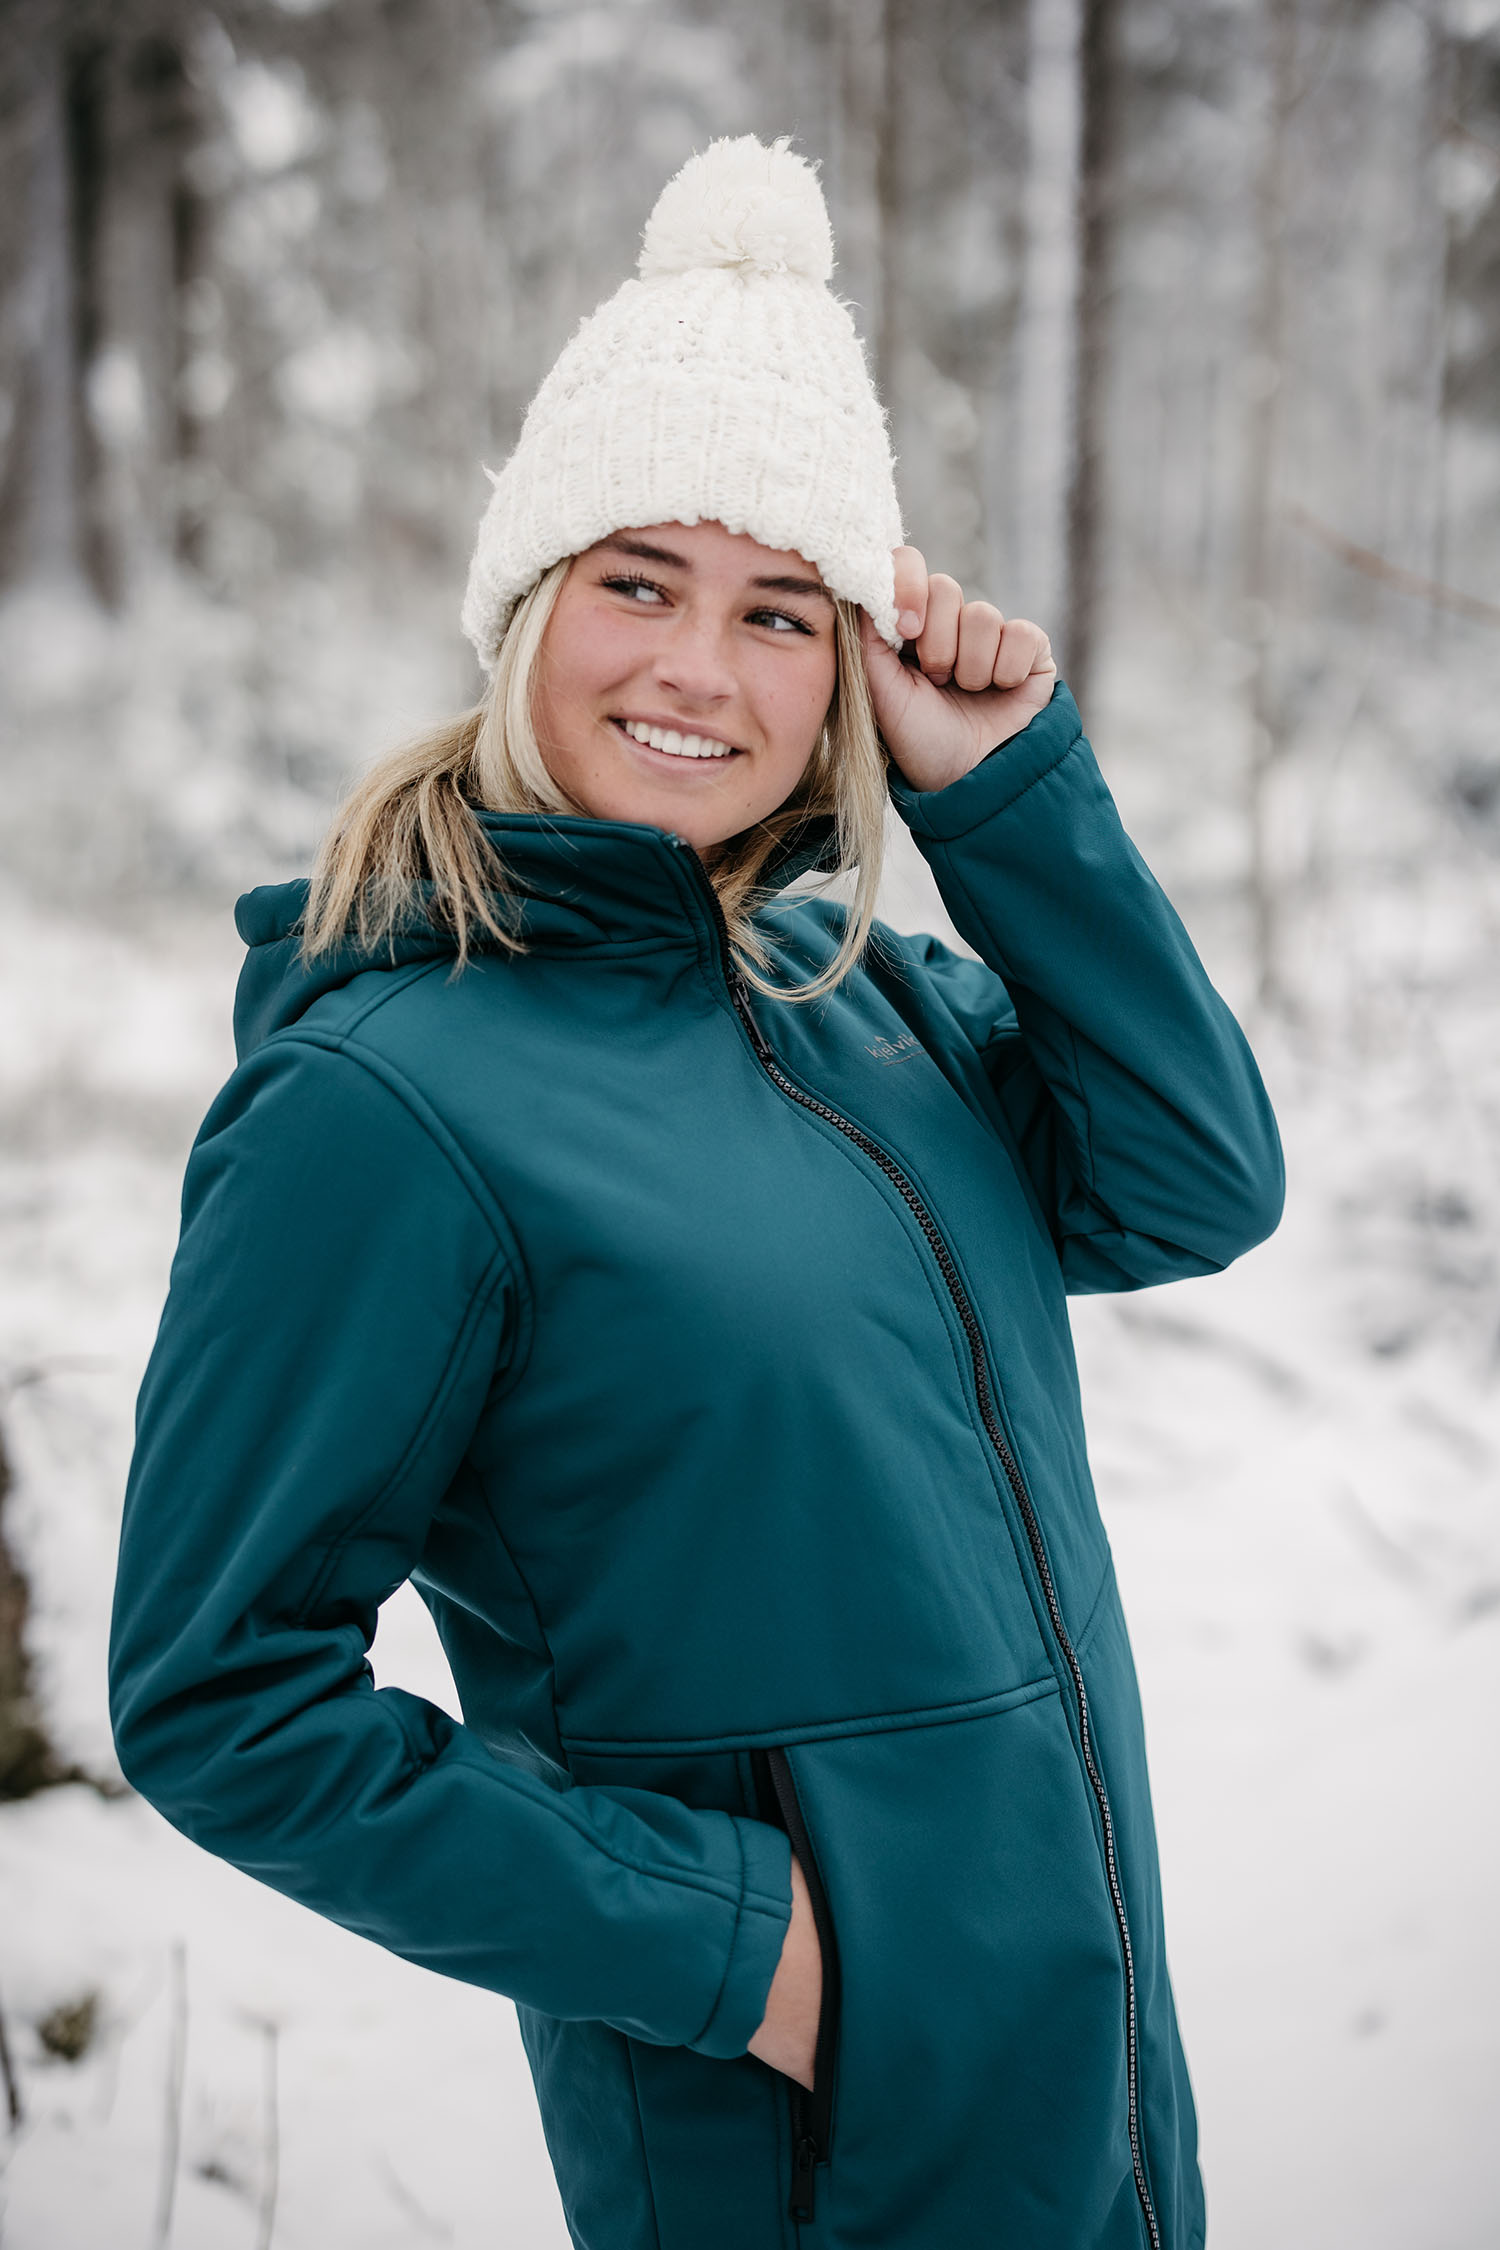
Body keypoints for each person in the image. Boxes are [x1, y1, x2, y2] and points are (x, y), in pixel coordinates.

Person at [109, 136, 1283, 2250]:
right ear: (527, 611)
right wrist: (743, 1953)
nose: (699, 673)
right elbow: (220, 1695)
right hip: (799, 2144)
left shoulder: (865, 1004)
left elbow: (1194, 1183)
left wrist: (1007, 794)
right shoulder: (379, 1104)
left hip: (1082, 2076)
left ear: (844, 666)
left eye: (778, 614)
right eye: (637, 583)